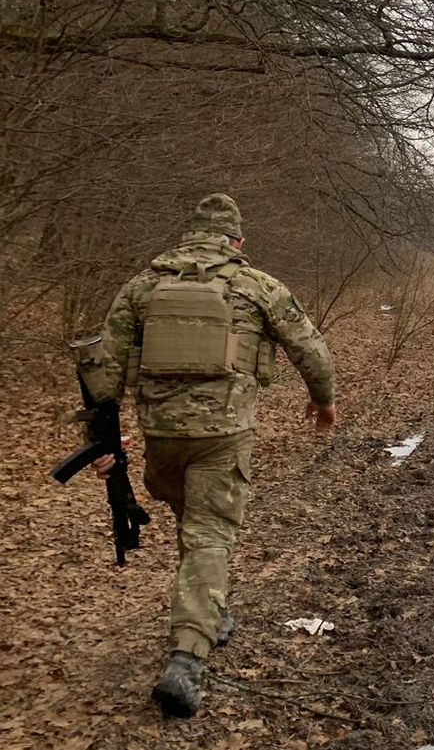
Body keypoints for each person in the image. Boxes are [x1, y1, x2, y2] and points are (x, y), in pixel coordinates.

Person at [86, 193, 337, 718]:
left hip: (161, 437)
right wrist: (323, 401)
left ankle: (209, 609)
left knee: (195, 527)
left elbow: (103, 368)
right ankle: (187, 659)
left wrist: (103, 443)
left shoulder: (143, 285)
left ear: (190, 235)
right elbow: (310, 349)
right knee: (209, 536)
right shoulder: (258, 285)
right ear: (238, 241)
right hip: (223, 433)